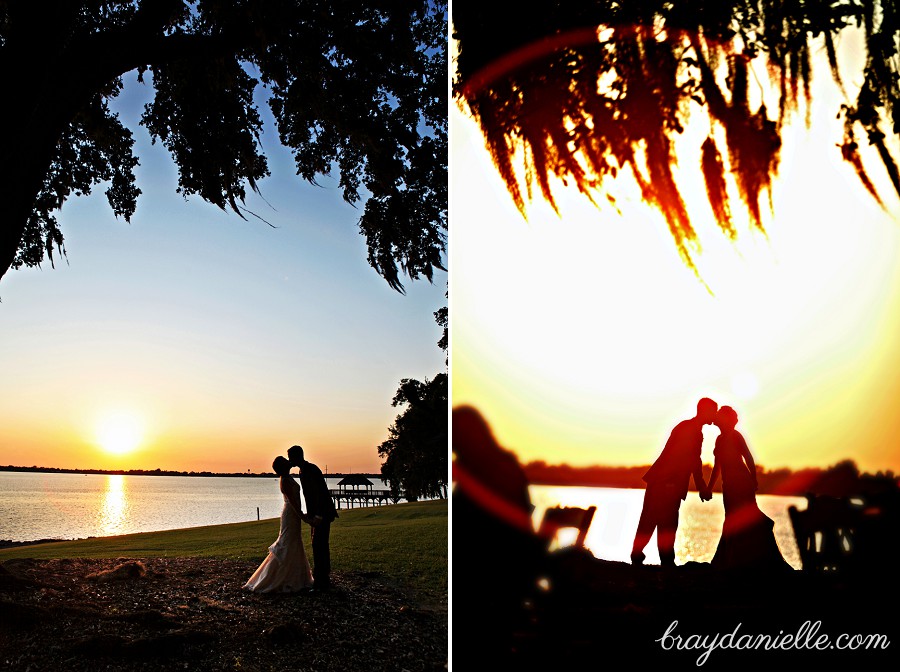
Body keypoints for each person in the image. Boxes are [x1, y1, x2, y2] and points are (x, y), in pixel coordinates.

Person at [631, 398, 716, 567]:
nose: (714, 415)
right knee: (663, 521)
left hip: (662, 481)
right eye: (713, 411)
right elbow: (693, 460)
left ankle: (646, 556)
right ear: (704, 411)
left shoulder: (688, 427)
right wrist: (702, 487)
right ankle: (663, 560)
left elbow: (692, 460)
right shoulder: (692, 430)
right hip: (667, 482)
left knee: (652, 519)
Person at [708, 406, 791, 571]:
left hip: (742, 483)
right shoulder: (719, 439)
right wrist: (709, 487)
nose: (737, 421)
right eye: (735, 417)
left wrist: (753, 479)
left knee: (744, 518)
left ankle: (741, 558)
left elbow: (748, 457)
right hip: (729, 485)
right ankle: (730, 558)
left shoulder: (736, 436)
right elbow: (717, 466)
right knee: (731, 518)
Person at [243, 456, 314, 593]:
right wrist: (303, 517)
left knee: (294, 543)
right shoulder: (285, 480)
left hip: (294, 514)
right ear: (283, 466)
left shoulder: (289, 477)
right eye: (286, 461)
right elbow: (293, 503)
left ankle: (295, 577)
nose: (289, 461)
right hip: (291, 514)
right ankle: (272, 578)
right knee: (286, 543)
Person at [287, 445, 338, 591]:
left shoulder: (311, 469)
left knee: (319, 545)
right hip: (315, 513)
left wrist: (319, 515)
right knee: (318, 544)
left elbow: (319, 493)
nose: (289, 460)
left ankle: (321, 580)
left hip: (321, 514)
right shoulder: (302, 470)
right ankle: (322, 578)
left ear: (297, 456)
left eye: (291, 457)